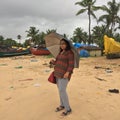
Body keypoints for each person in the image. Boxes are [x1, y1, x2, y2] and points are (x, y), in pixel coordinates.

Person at [50, 38, 74, 116]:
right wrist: (52, 62)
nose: (62, 45)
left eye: (64, 44)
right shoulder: (60, 53)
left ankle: (68, 109)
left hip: (64, 75)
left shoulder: (70, 53)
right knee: (60, 91)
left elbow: (71, 65)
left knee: (62, 90)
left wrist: (67, 72)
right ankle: (62, 105)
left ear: (67, 45)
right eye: (61, 44)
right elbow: (56, 62)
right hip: (57, 73)